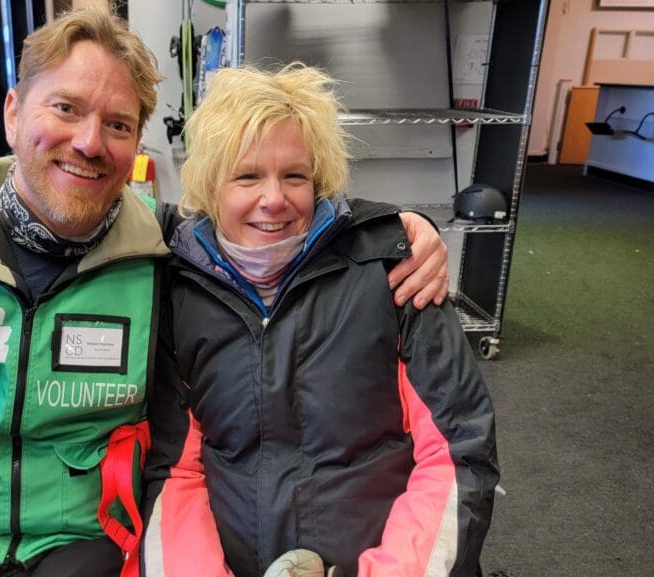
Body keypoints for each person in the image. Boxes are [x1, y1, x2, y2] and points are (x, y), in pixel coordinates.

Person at [0, 8, 449, 577]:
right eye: (65, 108)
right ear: (11, 110)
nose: (89, 143)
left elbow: (264, 208)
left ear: (136, 143)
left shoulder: (165, 253)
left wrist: (402, 231)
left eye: (116, 124)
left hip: (87, 545)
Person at [141, 64, 498, 577]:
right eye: (247, 175)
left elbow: (458, 450)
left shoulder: (395, 272)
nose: (274, 199)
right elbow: (173, 469)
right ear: (211, 186)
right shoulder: (181, 289)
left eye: (294, 176)